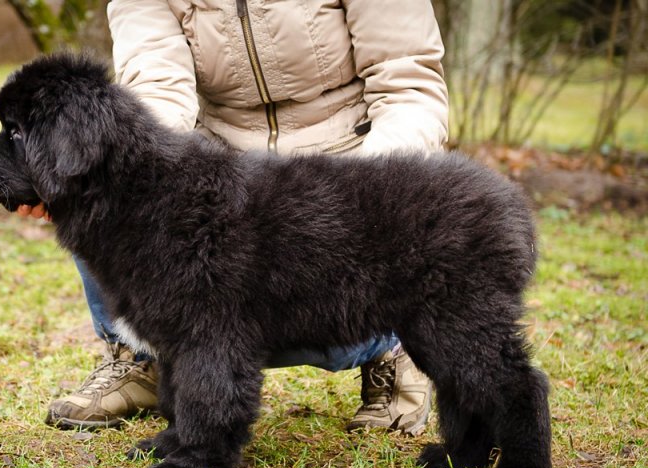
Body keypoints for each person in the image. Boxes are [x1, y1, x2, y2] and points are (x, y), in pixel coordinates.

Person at [24, 0, 448, 436]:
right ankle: (141, 356)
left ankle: (392, 347)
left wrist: (372, 200)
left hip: (348, 168)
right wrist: (132, 177)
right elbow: (157, 85)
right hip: (223, 167)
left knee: (316, 322)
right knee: (108, 203)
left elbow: (406, 85)